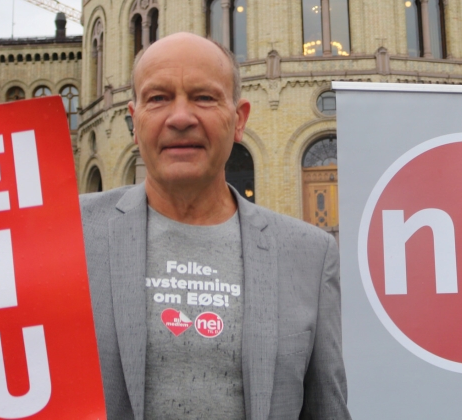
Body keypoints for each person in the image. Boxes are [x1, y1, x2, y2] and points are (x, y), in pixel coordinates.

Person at [81, 32, 350, 420]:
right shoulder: (73, 234)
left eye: (204, 97)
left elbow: (327, 410)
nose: (180, 118)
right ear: (133, 121)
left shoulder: (310, 254)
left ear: (239, 120)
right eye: (158, 98)